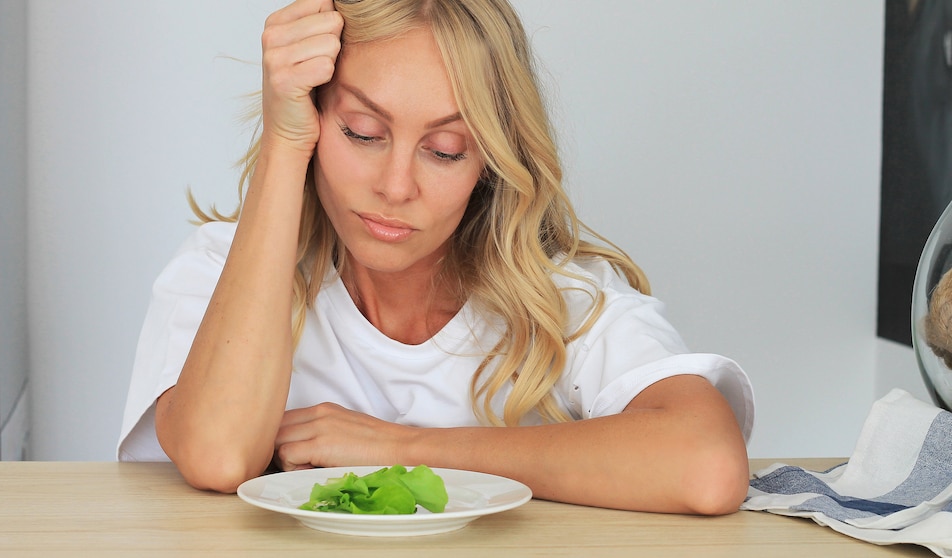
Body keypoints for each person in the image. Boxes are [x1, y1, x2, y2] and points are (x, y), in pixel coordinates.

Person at [118, 0, 755, 515]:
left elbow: (706, 464)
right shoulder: (218, 267)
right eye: (363, 134)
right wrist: (284, 142)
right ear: (316, 121)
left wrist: (400, 448)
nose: (397, 187)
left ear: (490, 163)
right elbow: (218, 456)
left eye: (446, 149)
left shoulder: (566, 297)